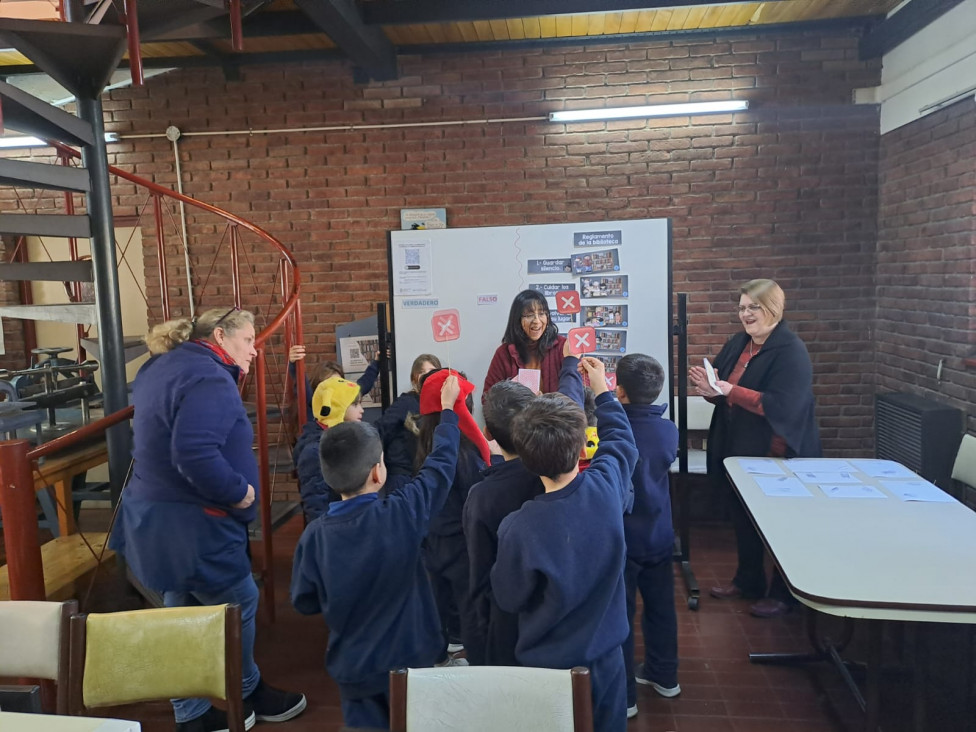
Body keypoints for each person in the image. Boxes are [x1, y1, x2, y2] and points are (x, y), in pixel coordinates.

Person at [111, 307, 306, 732]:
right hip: (194, 522)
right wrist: (241, 494)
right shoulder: (210, 378)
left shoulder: (160, 366)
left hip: (155, 517)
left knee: (178, 606)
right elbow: (194, 454)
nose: (254, 351)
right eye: (247, 340)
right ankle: (246, 690)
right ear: (220, 336)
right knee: (240, 601)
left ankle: (192, 713)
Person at [290, 374, 464, 730]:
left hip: (354, 669)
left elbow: (304, 601)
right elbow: (440, 467)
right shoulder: (402, 512)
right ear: (378, 472)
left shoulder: (314, 538)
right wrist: (448, 413)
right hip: (410, 663)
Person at [491, 357, 637, 732]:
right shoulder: (606, 489)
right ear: (580, 448)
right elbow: (621, 439)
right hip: (606, 661)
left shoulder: (518, 528)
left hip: (546, 670)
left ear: (526, 459)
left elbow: (509, 598)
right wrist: (602, 386)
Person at [689, 279, 821, 619]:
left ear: (773, 308)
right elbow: (721, 388)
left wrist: (728, 390)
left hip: (775, 450)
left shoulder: (791, 351)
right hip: (737, 444)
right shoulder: (739, 343)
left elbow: (781, 406)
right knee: (742, 515)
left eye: (753, 307)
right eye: (742, 307)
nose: (746, 314)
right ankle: (747, 580)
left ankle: (784, 592)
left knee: (778, 523)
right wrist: (709, 388)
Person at [464, 341, 583, 666]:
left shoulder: (483, 496)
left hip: (508, 627)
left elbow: (479, 578)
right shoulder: (554, 473)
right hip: (563, 616)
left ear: (488, 432)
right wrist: (571, 364)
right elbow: (571, 405)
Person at [614, 354, 680, 719]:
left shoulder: (614, 430)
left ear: (619, 390)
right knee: (661, 609)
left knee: (621, 617)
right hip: (658, 535)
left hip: (624, 540)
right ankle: (665, 674)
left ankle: (624, 698)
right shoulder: (668, 429)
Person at [413, 369, 491, 659]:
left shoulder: (427, 442)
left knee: (438, 604)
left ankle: (437, 657)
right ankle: (475, 661)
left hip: (434, 539)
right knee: (471, 608)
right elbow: (474, 495)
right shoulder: (462, 451)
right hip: (460, 542)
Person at [296, 375, 366, 521]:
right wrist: (325, 537)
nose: (362, 410)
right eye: (355, 404)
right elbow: (316, 503)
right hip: (332, 529)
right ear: (336, 408)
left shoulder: (343, 439)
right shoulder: (316, 451)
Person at [376, 353, 441, 493]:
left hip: (426, 475)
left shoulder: (441, 406)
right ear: (414, 378)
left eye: (431, 371)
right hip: (402, 476)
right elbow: (380, 429)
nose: (427, 376)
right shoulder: (406, 402)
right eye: (422, 372)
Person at [483, 289, 566, 398]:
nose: (536, 320)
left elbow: (577, 394)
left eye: (541, 313)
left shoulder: (562, 347)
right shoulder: (504, 353)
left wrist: (545, 403)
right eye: (529, 315)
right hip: (518, 415)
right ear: (517, 319)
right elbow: (487, 399)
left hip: (555, 414)